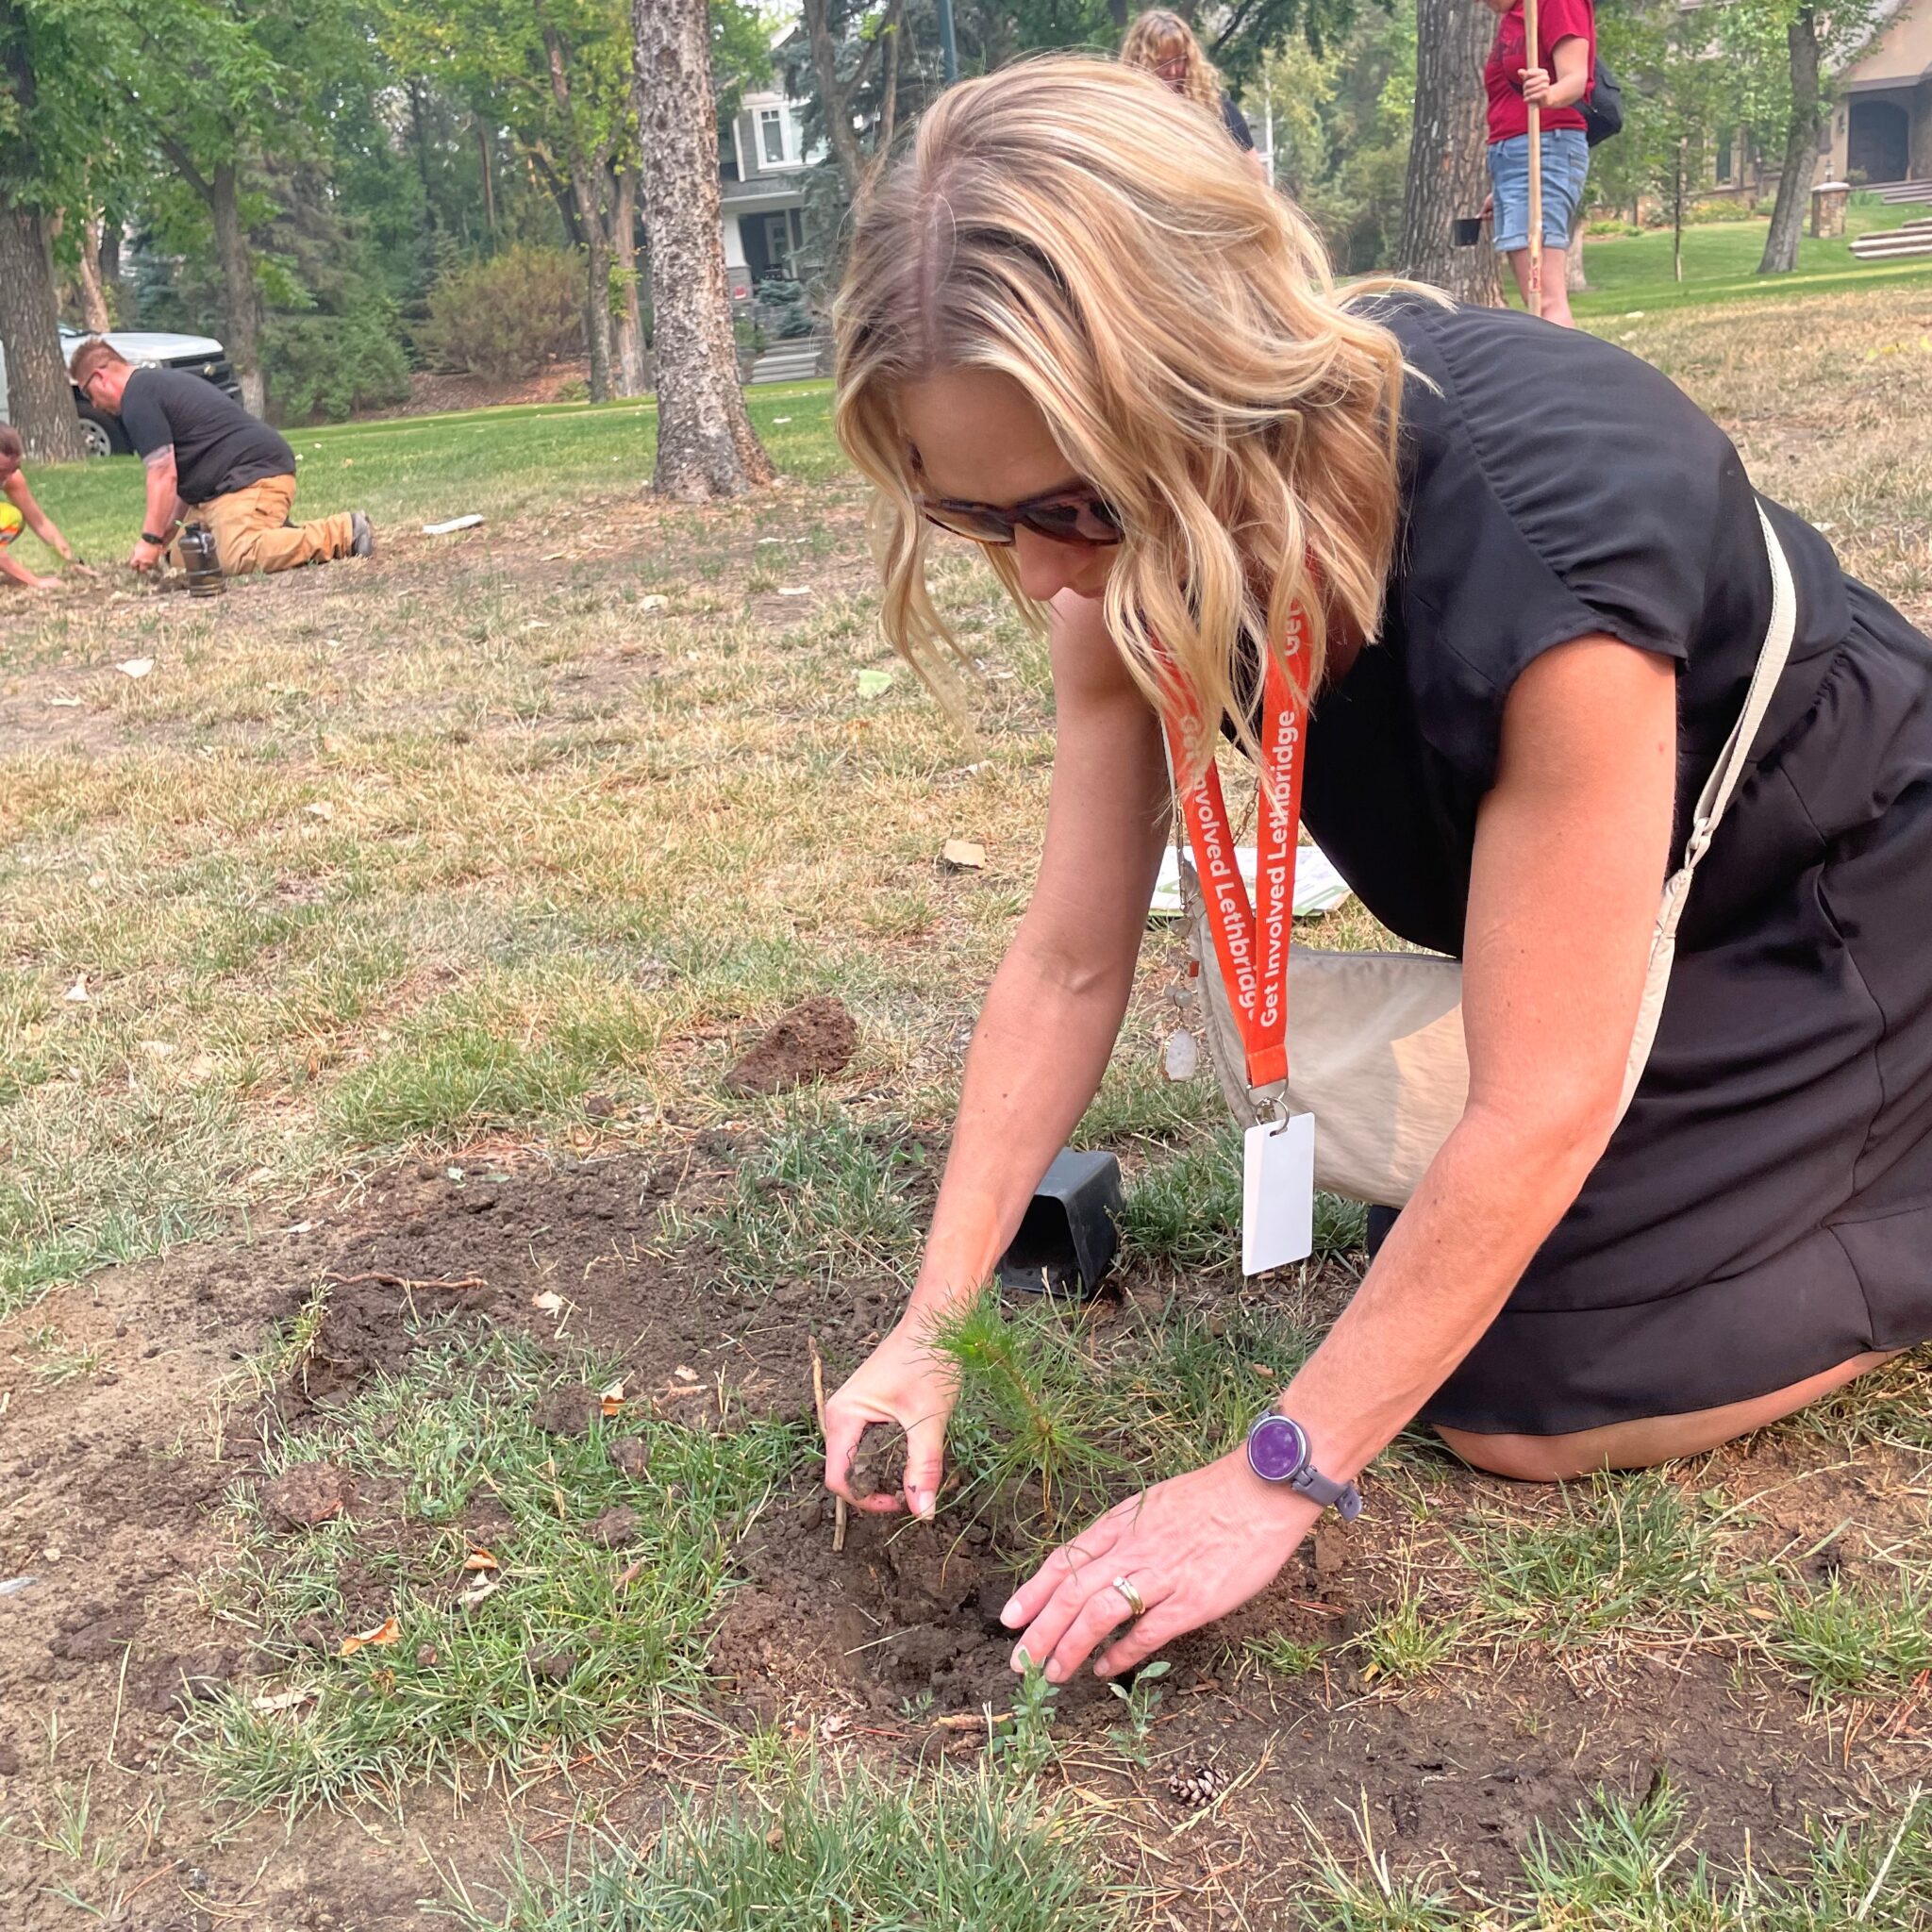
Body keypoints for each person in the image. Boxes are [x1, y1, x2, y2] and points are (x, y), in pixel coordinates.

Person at [821, 59, 1932, 1691]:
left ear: (1213, 393)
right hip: (1624, 918)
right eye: (971, 514)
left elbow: (1537, 1096)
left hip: (1836, 894)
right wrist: (927, 1324)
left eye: (1071, 507)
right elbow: (1066, 961)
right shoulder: (1116, 551)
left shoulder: (1542, 529)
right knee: (1455, 1293)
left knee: (1525, 1394)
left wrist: (1265, 1477)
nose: (1044, 574)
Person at [66, 339, 373, 577]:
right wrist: (164, 538)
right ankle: (276, 536)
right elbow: (181, 484)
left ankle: (344, 531)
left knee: (234, 557)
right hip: (219, 491)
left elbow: (162, 473)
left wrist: (148, 539)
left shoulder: (138, 397)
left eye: (90, 395)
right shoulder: (150, 389)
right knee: (184, 557)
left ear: (100, 377)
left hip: (252, 476)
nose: (94, 404)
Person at [1481, 0, 1594, 326]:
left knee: (1544, 300)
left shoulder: (1555, 2)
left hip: (1546, 146)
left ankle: (1571, 376)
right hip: (1514, 159)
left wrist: (1549, 95)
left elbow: (1575, 78)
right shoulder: (1514, 16)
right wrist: (1500, 187)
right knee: (1534, 297)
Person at [1120, 9, 1267, 184]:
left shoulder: (1219, 110)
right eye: (1162, 63)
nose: (1173, 71)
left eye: (1179, 60)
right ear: (1140, 64)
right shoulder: (1125, 120)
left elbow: (1257, 181)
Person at [0, 425, 80, 590]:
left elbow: (40, 523)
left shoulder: (11, 478)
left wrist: (70, 560)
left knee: (13, 517)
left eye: (14, 469)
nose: (7, 477)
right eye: (1, 471)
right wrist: (35, 581)